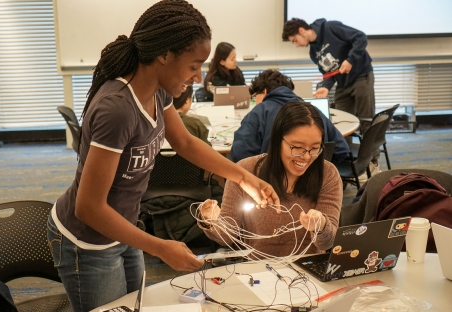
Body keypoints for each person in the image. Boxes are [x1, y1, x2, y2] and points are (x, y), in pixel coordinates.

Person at [46, 1, 279, 311]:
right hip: (88, 240)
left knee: (136, 305)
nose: (198, 77)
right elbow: (88, 208)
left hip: (123, 226)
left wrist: (244, 177)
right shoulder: (117, 110)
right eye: (194, 65)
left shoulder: (158, 90)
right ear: (164, 55)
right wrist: (160, 247)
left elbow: (185, 142)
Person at [198, 101, 343, 257]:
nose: (306, 156)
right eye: (297, 147)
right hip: (258, 270)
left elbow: (327, 243)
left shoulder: (328, 174)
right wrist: (210, 220)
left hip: (308, 271)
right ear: (277, 141)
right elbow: (226, 236)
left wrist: (320, 226)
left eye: (315, 148)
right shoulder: (246, 172)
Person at [282, 18, 380, 180]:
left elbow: (360, 37)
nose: (296, 45)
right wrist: (326, 86)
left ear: (301, 30)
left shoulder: (330, 28)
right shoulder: (314, 53)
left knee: (366, 121)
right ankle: (349, 163)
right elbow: (329, 73)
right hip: (342, 84)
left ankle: (372, 163)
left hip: (361, 76)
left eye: (295, 41)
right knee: (340, 125)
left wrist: (350, 60)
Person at [230, 69, 349, 163]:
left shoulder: (258, 113)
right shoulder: (313, 111)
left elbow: (240, 156)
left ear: (264, 92)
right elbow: (341, 149)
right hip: (312, 187)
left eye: (255, 96)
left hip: (268, 187)